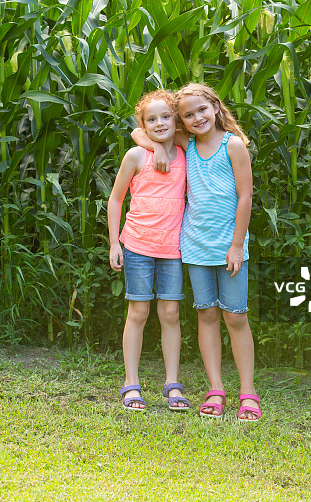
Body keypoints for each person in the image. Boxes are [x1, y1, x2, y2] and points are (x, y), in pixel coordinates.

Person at [132, 83, 261, 422]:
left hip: (230, 246)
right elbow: (138, 130)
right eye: (187, 115)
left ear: (215, 107)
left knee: (235, 316)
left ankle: (247, 392)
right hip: (195, 246)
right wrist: (156, 150)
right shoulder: (186, 144)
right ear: (182, 123)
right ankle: (215, 388)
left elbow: (245, 197)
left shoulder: (233, 146)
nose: (196, 117)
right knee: (206, 315)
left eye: (201, 110)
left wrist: (236, 245)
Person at [108, 90, 190, 412]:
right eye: (151, 119)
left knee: (170, 314)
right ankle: (131, 383)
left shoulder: (184, 150)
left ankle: (172, 384)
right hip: (138, 245)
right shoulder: (135, 156)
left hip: (172, 247)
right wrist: (115, 242)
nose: (159, 123)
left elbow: (177, 134)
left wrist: (160, 143)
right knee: (138, 313)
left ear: (176, 120)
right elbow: (116, 199)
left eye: (166, 117)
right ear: (143, 124)